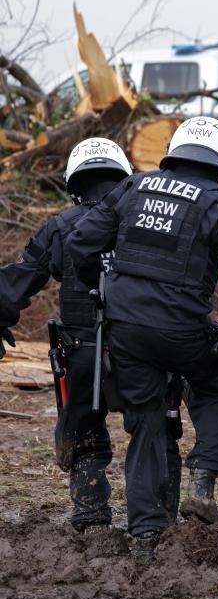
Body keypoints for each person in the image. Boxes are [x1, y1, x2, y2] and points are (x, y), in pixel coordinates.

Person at [65, 116, 218, 556]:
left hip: (124, 331)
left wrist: (97, 292)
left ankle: (144, 532)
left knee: (144, 423)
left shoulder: (132, 187)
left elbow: (79, 243)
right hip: (183, 331)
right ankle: (203, 475)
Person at [0, 138, 132, 533]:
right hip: (143, 347)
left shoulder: (59, 226)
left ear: (75, 182)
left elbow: (12, 287)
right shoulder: (144, 220)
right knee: (153, 428)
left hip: (82, 353)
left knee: (84, 430)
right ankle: (155, 520)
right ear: (124, 176)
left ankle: (91, 517)